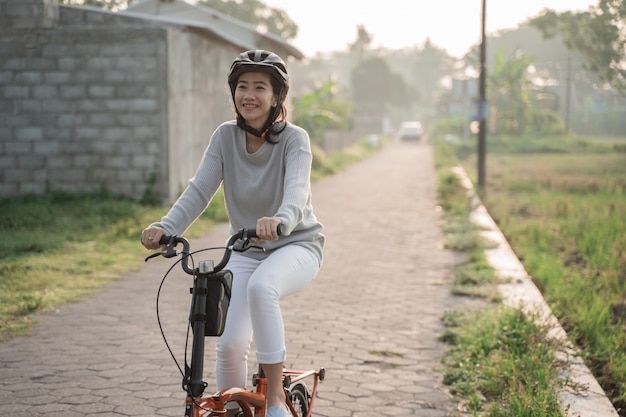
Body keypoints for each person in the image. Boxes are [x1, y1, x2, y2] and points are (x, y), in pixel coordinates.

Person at [141, 50, 324, 417]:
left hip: (296, 245)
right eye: (242, 86)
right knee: (228, 343)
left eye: (260, 87)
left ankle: (274, 401)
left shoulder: (295, 139)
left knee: (262, 288)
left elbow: (297, 191)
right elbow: (199, 190)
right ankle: (233, 410)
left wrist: (281, 219)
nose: (249, 95)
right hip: (244, 249)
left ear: (277, 98)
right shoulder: (224, 137)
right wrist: (167, 227)